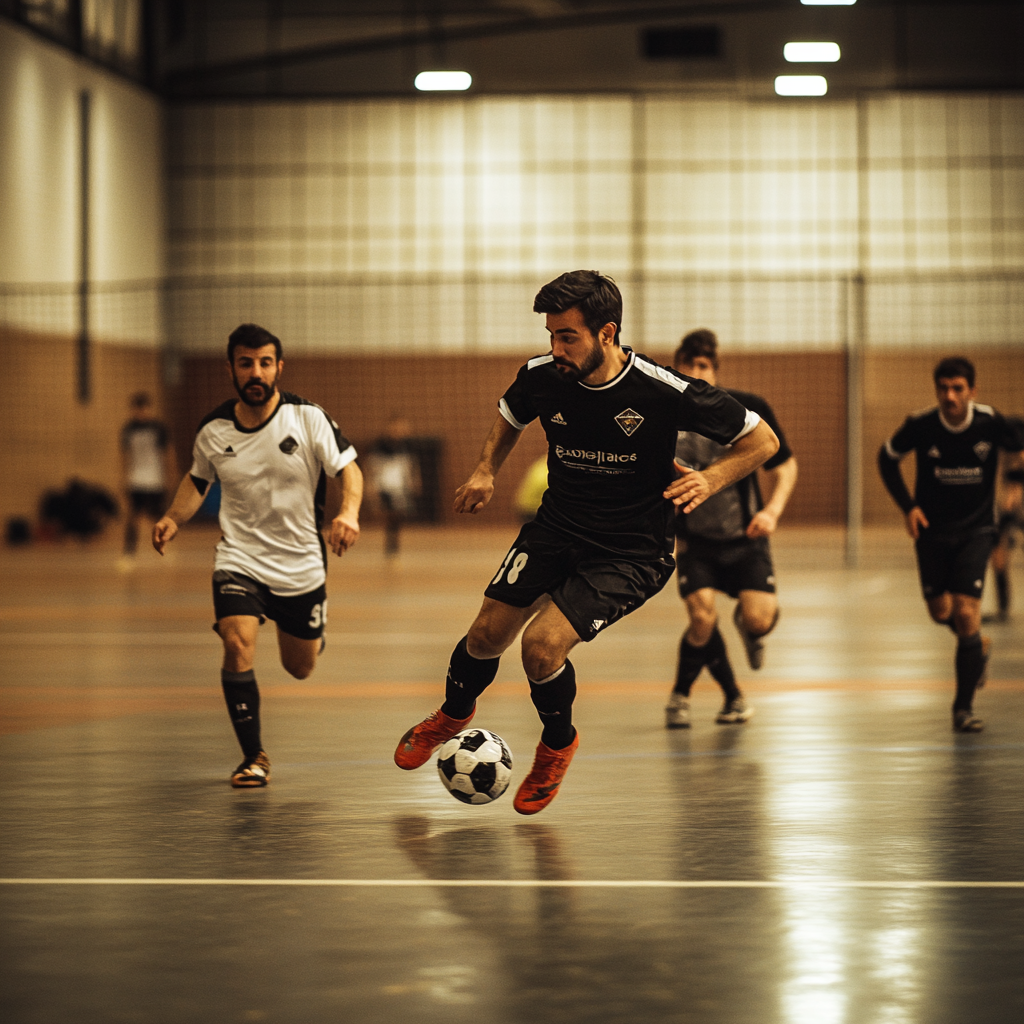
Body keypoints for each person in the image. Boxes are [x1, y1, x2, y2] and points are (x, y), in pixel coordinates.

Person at [393, 271, 779, 814]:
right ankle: (453, 714)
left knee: (540, 647)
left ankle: (556, 745)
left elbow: (762, 440)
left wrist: (711, 478)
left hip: (631, 551)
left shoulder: (662, 390)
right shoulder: (543, 376)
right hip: (557, 528)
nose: (555, 348)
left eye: (567, 336)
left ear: (607, 333)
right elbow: (510, 416)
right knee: (484, 633)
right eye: (550, 335)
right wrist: (485, 470)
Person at [152, 324, 363, 786]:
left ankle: (312, 630)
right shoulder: (214, 430)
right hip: (239, 558)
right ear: (231, 368)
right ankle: (254, 757)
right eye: (246, 363)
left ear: (278, 367)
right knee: (236, 641)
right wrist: (173, 517)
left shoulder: (307, 419)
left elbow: (350, 470)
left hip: (301, 563)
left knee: (300, 667)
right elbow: (197, 479)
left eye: (265, 363)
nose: (256, 372)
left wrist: (347, 513)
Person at [878, 357, 1024, 733]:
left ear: (972, 391)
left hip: (977, 531)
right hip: (932, 533)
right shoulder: (922, 425)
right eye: (943, 388)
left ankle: (963, 708)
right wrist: (908, 507)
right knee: (942, 613)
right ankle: (977, 645)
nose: (950, 396)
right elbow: (886, 458)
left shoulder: (990, 422)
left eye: (958, 389)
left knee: (966, 610)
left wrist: (1016, 488)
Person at [665, 330, 798, 729]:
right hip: (695, 543)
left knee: (759, 619)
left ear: (715, 371)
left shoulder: (747, 410)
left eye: (703, 365)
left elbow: (785, 466)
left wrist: (772, 511)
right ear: (677, 368)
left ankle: (750, 630)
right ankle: (687, 696)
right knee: (702, 618)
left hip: (746, 539)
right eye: (688, 365)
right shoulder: (663, 415)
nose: (695, 372)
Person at [120, 392, 172, 557]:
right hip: (136, 479)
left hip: (155, 479)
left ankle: (165, 545)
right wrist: (123, 477)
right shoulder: (128, 429)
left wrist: (171, 474)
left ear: (148, 409)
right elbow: (124, 455)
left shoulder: (158, 428)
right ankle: (129, 551)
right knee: (133, 515)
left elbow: (168, 453)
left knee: (158, 515)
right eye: (137, 409)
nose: (141, 412)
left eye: (143, 408)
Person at [984, 416, 1024, 623]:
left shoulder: (1018, 455)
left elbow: (1014, 489)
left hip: (1015, 512)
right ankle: (1003, 608)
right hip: (1008, 514)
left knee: (999, 555)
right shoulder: (1006, 456)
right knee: (998, 558)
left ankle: (1003, 608)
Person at [366, 416, 420, 556]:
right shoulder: (379, 446)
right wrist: (371, 485)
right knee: (389, 514)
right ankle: (390, 542)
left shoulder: (406, 446)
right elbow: (371, 466)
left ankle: (393, 541)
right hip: (384, 485)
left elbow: (411, 465)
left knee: (398, 515)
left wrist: (414, 481)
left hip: (399, 487)